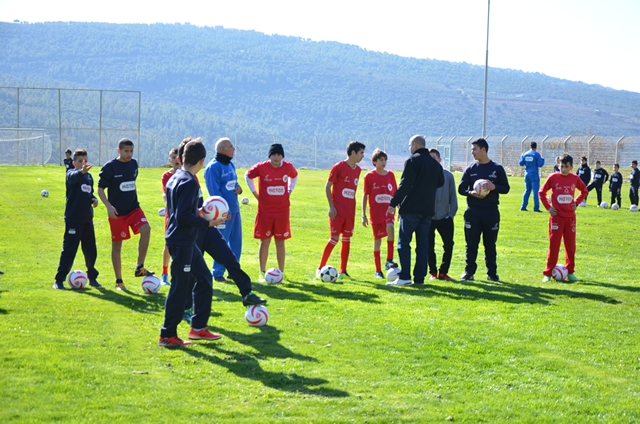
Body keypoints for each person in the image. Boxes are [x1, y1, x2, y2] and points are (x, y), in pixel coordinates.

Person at [159, 139, 223, 347]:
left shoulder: (176, 177)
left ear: (182, 158)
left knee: (204, 278)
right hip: (182, 240)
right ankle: (167, 335)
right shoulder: (188, 181)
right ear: (202, 161)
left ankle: (198, 328)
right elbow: (183, 215)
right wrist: (208, 222)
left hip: (183, 239)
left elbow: (180, 210)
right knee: (179, 287)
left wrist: (201, 212)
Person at [386, 135, 444, 286]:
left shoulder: (413, 161)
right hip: (427, 210)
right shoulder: (436, 164)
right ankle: (419, 279)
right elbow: (440, 182)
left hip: (411, 209)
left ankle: (405, 276)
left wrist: (393, 203)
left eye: (410, 145)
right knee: (422, 245)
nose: (409, 148)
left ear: (416, 145)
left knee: (404, 243)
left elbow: (405, 184)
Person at [97, 138, 154, 291]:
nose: (129, 154)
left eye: (131, 151)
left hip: (134, 209)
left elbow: (131, 184)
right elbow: (100, 189)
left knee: (146, 229)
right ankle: (119, 281)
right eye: (126, 151)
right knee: (117, 246)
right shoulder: (110, 167)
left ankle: (140, 266)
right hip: (117, 213)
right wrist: (108, 207)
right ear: (119, 150)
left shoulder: (134, 164)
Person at [458, 138, 510, 282]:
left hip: (491, 212)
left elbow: (506, 188)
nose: (472, 152)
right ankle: (469, 272)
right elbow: (461, 189)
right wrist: (470, 193)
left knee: (490, 244)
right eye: (472, 149)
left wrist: (494, 187)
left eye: (474, 149)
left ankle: (492, 274)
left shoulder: (497, 168)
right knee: (471, 243)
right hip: (473, 211)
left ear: (484, 150)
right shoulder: (470, 169)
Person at [245, 143, 298, 282]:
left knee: (280, 242)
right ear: (269, 156)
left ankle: (281, 273)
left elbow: (295, 176)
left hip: (282, 211)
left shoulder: (287, 166)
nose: (276, 157)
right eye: (274, 154)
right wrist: (255, 193)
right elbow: (248, 175)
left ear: (282, 156)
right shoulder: (261, 167)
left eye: (279, 155)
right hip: (265, 211)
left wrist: (289, 190)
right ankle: (262, 272)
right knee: (265, 241)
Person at [317, 140, 366, 280]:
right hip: (337, 211)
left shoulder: (358, 170)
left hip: (349, 212)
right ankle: (320, 268)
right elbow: (328, 186)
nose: (363, 156)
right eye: (361, 153)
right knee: (334, 239)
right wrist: (331, 206)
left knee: (346, 240)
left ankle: (343, 271)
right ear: (353, 153)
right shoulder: (339, 167)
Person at [53, 149, 101, 289]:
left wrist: (93, 199)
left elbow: (88, 193)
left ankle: (92, 277)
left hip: (87, 219)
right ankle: (59, 280)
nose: (83, 163)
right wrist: (81, 171)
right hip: (74, 219)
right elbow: (74, 177)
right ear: (74, 163)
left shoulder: (89, 177)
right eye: (80, 161)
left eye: (85, 161)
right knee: (69, 249)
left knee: (90, 249)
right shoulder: (71, 174)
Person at [538, 154, 588, 282]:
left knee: (570, 246)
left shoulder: (575, 178)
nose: (563, 169)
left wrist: (576, 203)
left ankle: (570, 271)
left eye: (566, 166)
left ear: (571, 167)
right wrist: (549, 208)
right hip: (556, 218)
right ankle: (548, 273)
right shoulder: (553, 177)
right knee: (554, 245)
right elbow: (541, 192)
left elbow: (584, 191)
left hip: (570, 218)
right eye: (561, 166)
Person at [204, 137, 243, 283]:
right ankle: (218, 273)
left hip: (235, 210)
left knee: (236, 242)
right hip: (223, 214)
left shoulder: (231, 165)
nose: (234, 149)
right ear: (222, 150)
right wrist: (224, 212)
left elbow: (234, 182)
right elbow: (214, 192)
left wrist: (239, 188)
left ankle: (233, 271)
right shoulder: (213, 168)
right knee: (221, 242)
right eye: (231, 146)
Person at [361, 148, 398, 279]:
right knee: (377, 241)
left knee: (391, 227)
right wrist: (363, 214)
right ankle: (378, 270)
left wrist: (399, 209)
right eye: (381, 160)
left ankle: (389, 260)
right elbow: (365, 195)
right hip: (375, 213)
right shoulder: (369, 177)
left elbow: (396, 193)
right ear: (375, 162)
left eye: (385, 160)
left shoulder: (391, 175)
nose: (384, 162)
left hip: (388, 211)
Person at [427, 148, 458, 281]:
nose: (432, 160)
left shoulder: (448, 176)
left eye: (435, 158)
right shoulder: (424, 176)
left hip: (445, 217)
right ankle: (432, 272)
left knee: (449, 245)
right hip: (428, 217)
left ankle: (443, 272)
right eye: (430, 158)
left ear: (439, 160)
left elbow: (453, 197)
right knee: (429, 245)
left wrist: (450, 215)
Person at [160, 147, 181, 285]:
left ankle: (181, 274)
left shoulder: (189, 174)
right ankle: (164, 273)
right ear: (170, 160)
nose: (176, 160)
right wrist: (169, 206)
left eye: (178, 157)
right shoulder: (166, 176)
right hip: (172, 215)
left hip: (185, 215)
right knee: (169, 244)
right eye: (173, 158)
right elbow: (165, 194)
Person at [519, 141, 545, 212]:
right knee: (535, 191)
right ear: (536, 147)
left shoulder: (525, 154)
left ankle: (523, 206)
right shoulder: (536, 154)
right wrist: (543, 159)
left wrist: (521, 156)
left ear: (530, 147)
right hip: (534, 174)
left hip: (527, 174)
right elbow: (540, 164)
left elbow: (521, 163)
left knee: (527, 190)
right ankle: (536, 208)